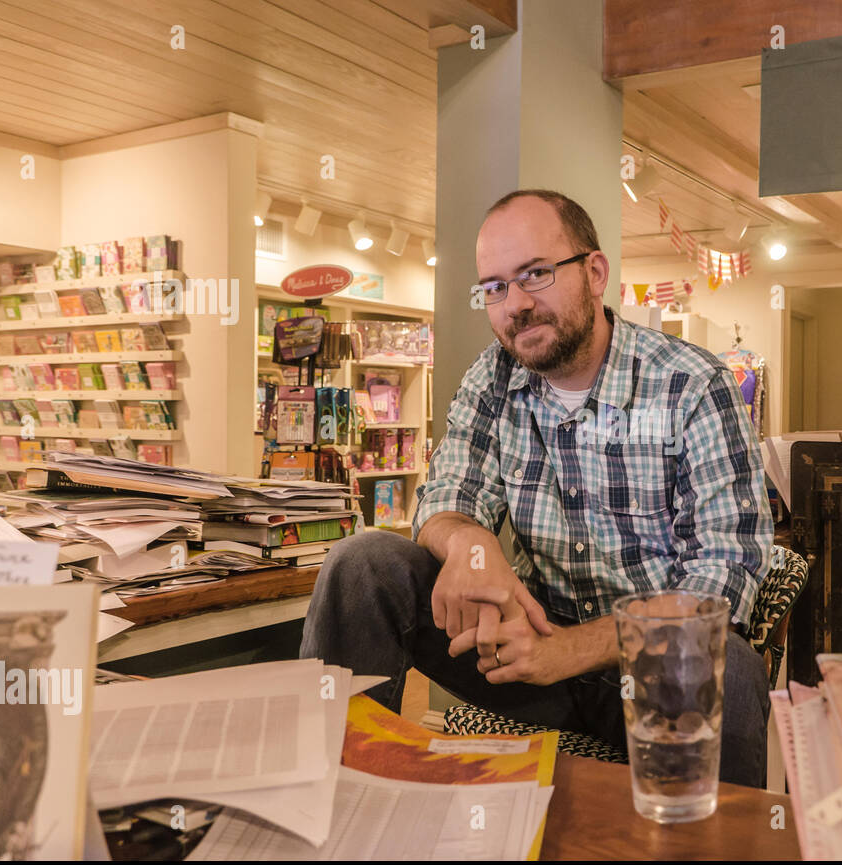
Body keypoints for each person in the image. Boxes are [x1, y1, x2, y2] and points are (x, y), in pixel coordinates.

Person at [302, 189, 774, 787]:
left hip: (648, 668)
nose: (515, 305)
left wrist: (569, 651)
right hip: (519, 652)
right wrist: (475, 549)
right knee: (361, 561)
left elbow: (723, 576)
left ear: (595, 273)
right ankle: (331, 797)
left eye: (536, 274)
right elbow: (445, 495)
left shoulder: (692, 384)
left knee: (727, 669)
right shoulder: (492, 376)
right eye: (494, 287)